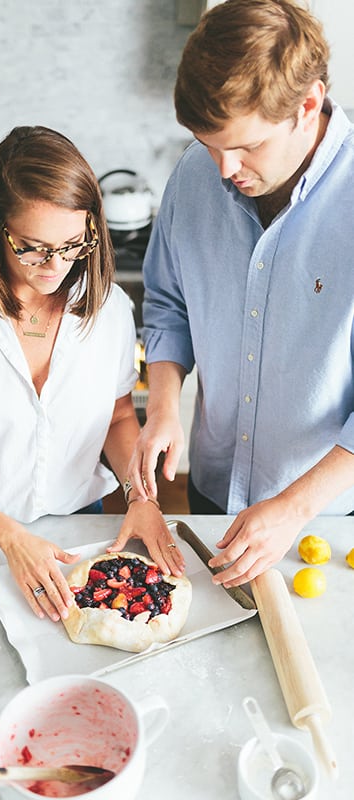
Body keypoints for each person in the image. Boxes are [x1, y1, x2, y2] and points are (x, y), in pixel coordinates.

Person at [0, 125, 184, 622]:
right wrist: (11, 538)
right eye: (31, 246)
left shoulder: (109, 309)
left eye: (73, 244)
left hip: (79, 525)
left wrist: (140, 496)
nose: (55, 265)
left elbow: (116, 419)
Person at [128, 0, 354, 588]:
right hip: (213, 487)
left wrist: (295, 508)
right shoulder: (193, 176)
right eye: (207, 143)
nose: (224, 168)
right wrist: (164, 403)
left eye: (246, 146)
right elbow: (168, 304)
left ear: (307, 107)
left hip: (326, 516)